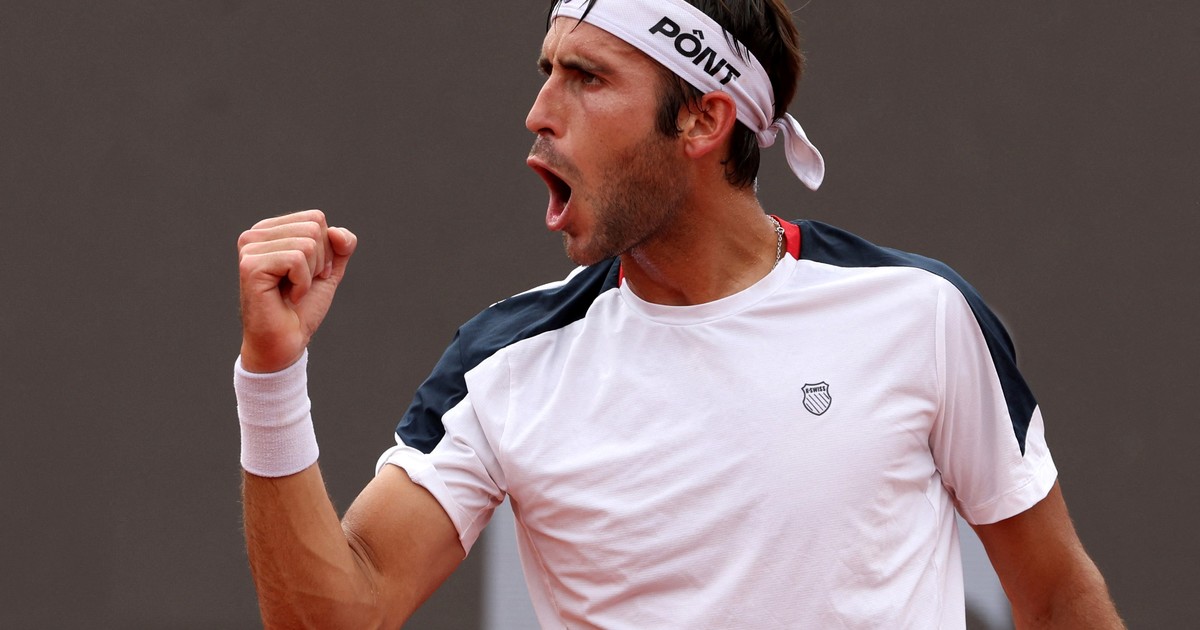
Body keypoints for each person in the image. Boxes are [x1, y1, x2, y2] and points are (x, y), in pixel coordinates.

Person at [234, 0, 1124, 627]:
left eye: (586, 77)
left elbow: (1054, 599)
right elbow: (342, 616)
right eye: (547, 73)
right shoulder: (502, 363)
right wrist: (271, 375)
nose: (539, 112)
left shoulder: (921, 315)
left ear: (703, 120)